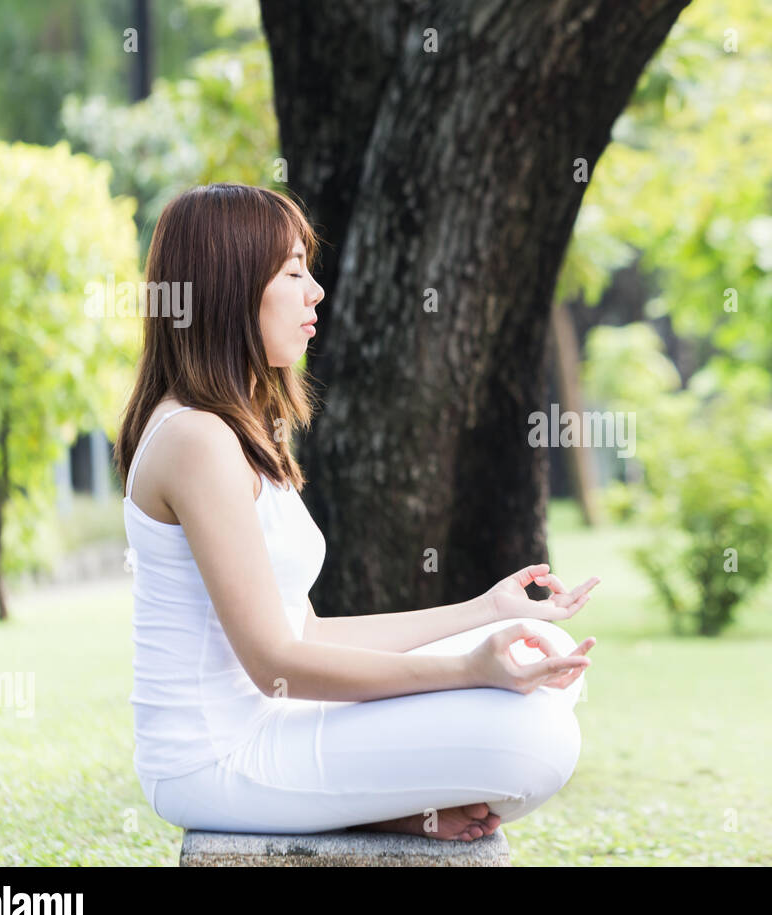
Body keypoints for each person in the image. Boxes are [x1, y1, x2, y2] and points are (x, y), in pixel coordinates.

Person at [114, 183, 598, 840]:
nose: (315, 291)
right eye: (292, 272)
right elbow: (276, 664)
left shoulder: (238, 432)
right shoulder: (196, 440)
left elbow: (307, 633)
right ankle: (382, 807)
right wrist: (464, 670)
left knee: (548, 652)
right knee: (539, 739)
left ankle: (385, 807)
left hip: (274, 724)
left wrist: (486, 611)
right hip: (216, 761)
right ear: (231, 289)